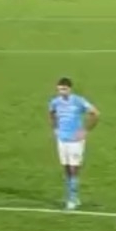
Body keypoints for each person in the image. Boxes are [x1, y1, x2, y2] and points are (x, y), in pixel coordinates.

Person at [48, 77, 99, 210]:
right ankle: (71, 196)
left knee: (73, 169)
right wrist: (55, 129)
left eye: (64, 89)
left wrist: (85, 130)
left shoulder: (78, 101)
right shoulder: (55, 102)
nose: (62, 92)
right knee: (66, 169)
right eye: (59, 89)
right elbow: (51, 114)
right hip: (62, 139)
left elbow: (95, 113)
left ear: (70, 89)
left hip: (75, 140)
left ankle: (72, 198)